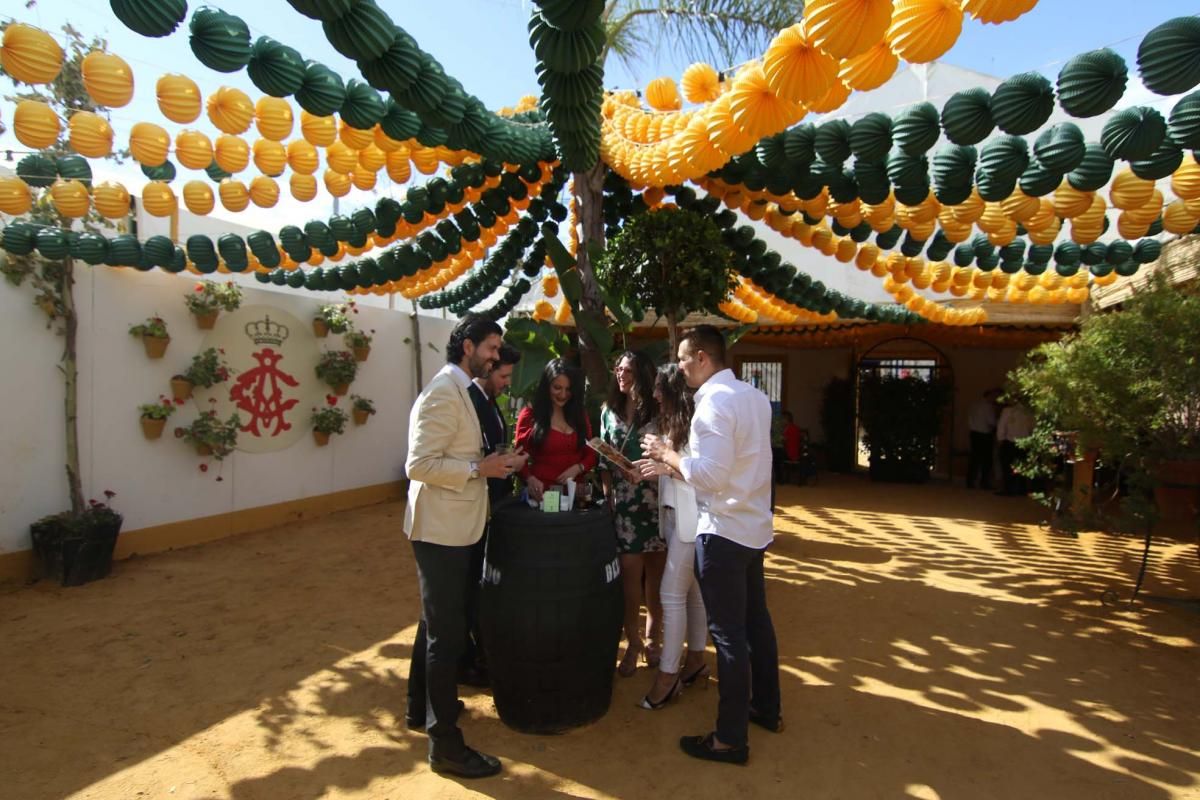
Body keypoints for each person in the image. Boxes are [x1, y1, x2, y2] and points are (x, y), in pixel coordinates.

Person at [642, 325, 780, 766]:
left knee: (730, 636)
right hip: (752, 527)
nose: (679, 367)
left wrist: (668, 455)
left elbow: (709, 477)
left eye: (683, 359)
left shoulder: (713, 405)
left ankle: (729, 739)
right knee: (756, 622)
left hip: (722, 532)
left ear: (702, 357)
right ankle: (766, 708)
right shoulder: (754, 398)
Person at [403, 314, 524, 779]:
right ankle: (445, 745)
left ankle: (425, 709)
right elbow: (418, 464)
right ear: (468, 345)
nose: (497, 356)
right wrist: (480, 471)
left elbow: (459, 453)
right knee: (446, 636)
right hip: (440, 532)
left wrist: (490, 463)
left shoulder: (461, 391)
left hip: (459, 527)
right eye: (492, 348)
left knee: (436, 626)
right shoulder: (440, 392)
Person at [634, 364, 709, 710]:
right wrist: (647, 471)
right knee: (690, 592)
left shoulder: (696, 426)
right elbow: (674, 474)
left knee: (670, 594)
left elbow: (699, 475)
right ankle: (695, 661)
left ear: (673, 393)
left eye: (660, 389)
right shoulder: (674, 425)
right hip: (677, 518)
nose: (654, 396)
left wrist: (666, 464)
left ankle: (668, 676)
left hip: (691, 521)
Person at [601, 350, 666, 677]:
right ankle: (633, 644)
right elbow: (602, 461)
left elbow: (672, 453)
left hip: (656, 502)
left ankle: (654, 641)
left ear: (642, 373)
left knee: (657, 581)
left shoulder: (659, 411)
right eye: (618, 369)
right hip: (625, 505)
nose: (621, 375)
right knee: (630, 582)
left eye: (628, 370)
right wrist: (608, 493)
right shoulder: (608, 412)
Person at [513, 359, 596, 503]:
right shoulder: (530, 415)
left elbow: (591, 454)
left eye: (568, 389)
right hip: (544, 497)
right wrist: (530, 479)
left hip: (576, 497)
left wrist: (578, 467)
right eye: (557, 387)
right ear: (546, 386)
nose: (563, 394)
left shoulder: (580, 414)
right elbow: (519, 458)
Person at [996, 398, 1034, 496]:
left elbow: (1001, 426)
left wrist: (1000, 439)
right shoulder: (1029, 413)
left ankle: (1009, 489)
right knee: (1022, 467)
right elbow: (1032, 428)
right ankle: (1021, 489)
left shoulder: (1008, 411)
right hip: (1024, 442)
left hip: (1010, 442)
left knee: (1007, 467)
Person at [966, 388, 1001, 489]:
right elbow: (991, 422)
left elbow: (969, 418)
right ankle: (984, 482)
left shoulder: (974, 405)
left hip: (974, 434)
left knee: (974, 458)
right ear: (989, 396)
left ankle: (970, 481)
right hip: (985, 435)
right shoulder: (988, 407)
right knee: (986, 460)